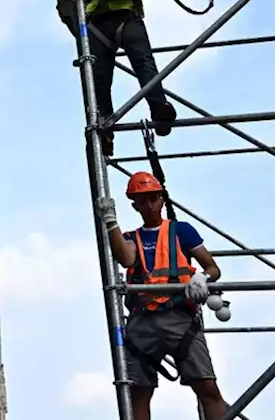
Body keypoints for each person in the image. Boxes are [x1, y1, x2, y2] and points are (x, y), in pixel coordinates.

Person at [98, 172, 229, 420]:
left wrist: (202, 278)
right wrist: (110, 222)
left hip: (180, 318)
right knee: (139, 393)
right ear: (134, 204)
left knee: (207, 387)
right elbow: (126, 258)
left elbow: (213, 268)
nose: (149, 205)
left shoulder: (181, 231)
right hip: (143, 321)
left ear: (161, 199)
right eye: (142, 200)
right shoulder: (131, 238)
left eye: (153, 198)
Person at [82, 0, 177, 153]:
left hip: (127, 18)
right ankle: (104, 129)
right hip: (98, 24)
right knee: (99, 80)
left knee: (145, 64)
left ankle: (159, 110)